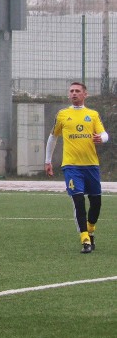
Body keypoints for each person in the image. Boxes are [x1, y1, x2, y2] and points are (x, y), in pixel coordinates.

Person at [45, 81, 109, 254]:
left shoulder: (92, 114)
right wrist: (48, 160)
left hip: (91, 166)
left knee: (96, 202)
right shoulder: (63, 115)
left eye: (77, 91)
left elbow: (104, 134)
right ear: (68, 95)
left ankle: (91, 229)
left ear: (84, 94)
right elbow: (53, 137)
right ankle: (85, 239)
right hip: (71, 166)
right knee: (79, 200)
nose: (74, 93)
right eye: (71, 91)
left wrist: (101, 139)